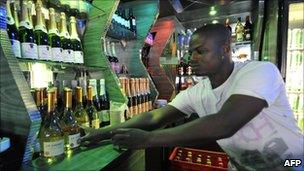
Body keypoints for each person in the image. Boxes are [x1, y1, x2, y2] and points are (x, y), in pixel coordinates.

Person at [81, 24, 304, 170]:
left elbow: (224, 124)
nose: (191, 58)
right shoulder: (199, 91)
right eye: (190, 52)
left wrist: (148, 140)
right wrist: (102, 133)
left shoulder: (259, 71)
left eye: (200, 51)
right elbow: (154, 117)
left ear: (225, 50)